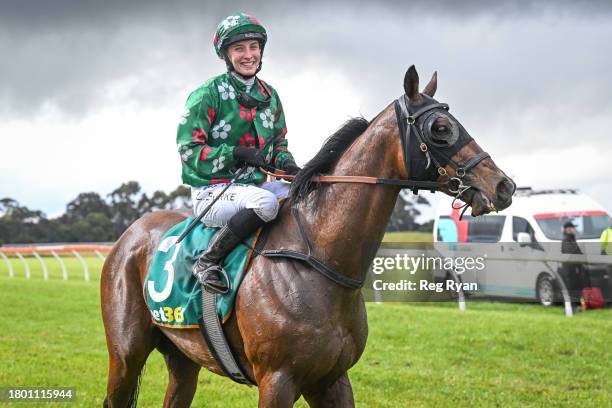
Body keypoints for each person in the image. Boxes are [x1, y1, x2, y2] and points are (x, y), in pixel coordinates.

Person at [176, 13, 300, 294]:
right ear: (226, 55)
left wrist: (290, 166)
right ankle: (208, 261)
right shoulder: (207, 94)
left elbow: (278, 145)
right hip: (213, 192)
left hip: (256, 185)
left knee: (308, 195)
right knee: (266, 204)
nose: (249, 55)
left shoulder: (270, 95)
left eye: (254, 47)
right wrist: (237, 153)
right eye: (239, 49)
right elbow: (189, 151)